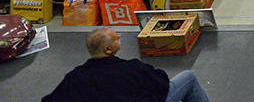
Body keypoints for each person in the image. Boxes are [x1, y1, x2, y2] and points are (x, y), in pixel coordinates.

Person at [43, 27, 211, 102]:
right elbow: (161, 82)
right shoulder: (131, 68)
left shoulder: (75, 77)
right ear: (108, 49)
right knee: (188, 77)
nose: (120, 38)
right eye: (116, 37)